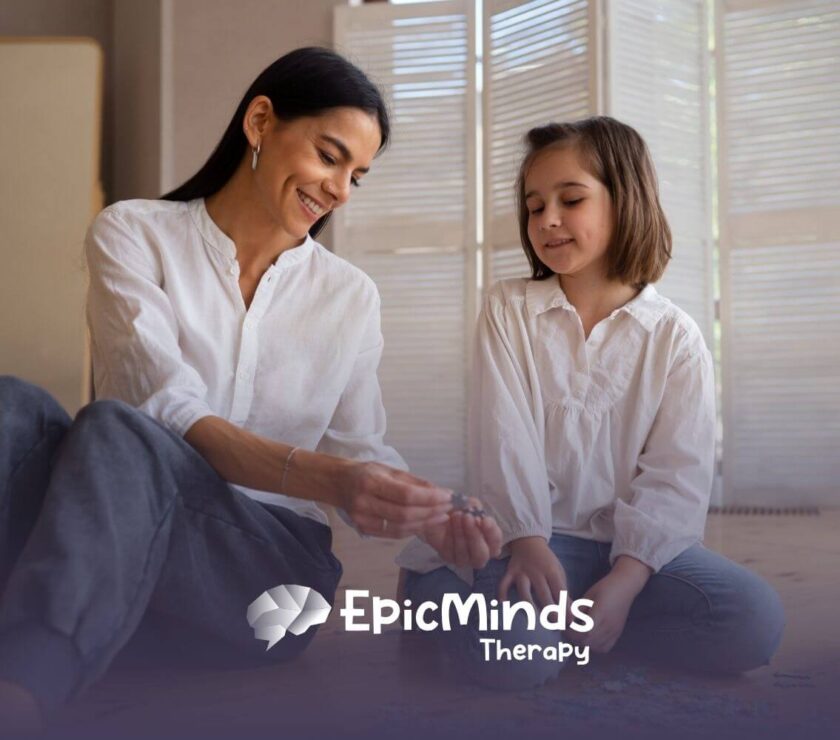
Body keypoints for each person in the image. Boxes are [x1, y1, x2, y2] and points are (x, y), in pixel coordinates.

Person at [0, 47, 501, 732]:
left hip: (263, 577)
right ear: (261, 122)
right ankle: (93, 614)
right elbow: (170, 410)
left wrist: (433, 522)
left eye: (358, 176)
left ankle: (25, 685)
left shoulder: (349, 297)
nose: (340, 191)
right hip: (126, 532)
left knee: (116, 428)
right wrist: (329, 476)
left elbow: (361, 447)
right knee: (15, 406)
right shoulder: (133, 233)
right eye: (330, 156)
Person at [397, 117, 785, 690]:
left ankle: (585, 624)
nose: (547, 219)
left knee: (753, 622)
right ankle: (439, 601)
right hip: (517, 540)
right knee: (521, 663)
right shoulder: (509, 309)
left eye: (570, 199)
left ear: (625, 201)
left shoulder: (675, 338)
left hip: (628, 554)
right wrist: (528, 545)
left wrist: (625, 583)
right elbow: (505, 439)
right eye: (534, 207)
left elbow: (676, 478)